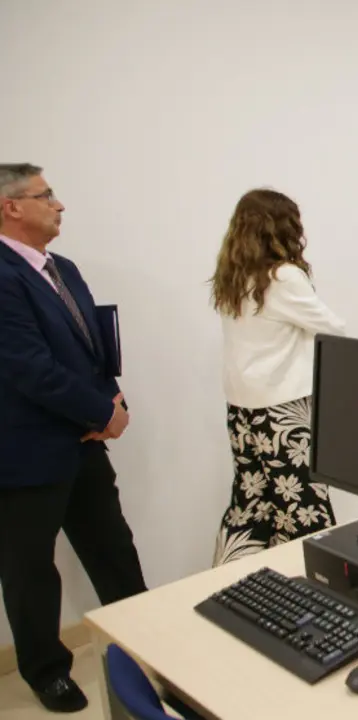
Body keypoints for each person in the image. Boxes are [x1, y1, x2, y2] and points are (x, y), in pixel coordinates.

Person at [0, 164, 147, 713]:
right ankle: (47, 671)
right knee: (30, 568)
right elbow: (27, 368)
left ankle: (142, 645)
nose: (59, 205)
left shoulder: (63, 268)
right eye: (46, 195)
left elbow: (92, 349)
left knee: (114, 550)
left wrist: (113, 402)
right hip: (26, 453)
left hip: (85, 443)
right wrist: (96, 410)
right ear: (11, 206)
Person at [210, 189, 345, 566]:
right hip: (284, 412)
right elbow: (334, 328)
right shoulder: (282, 277)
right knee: (304, 507)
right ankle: (321, 589)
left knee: (252, 505)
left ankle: (240, 582)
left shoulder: (234, 276)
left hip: (242, 411)